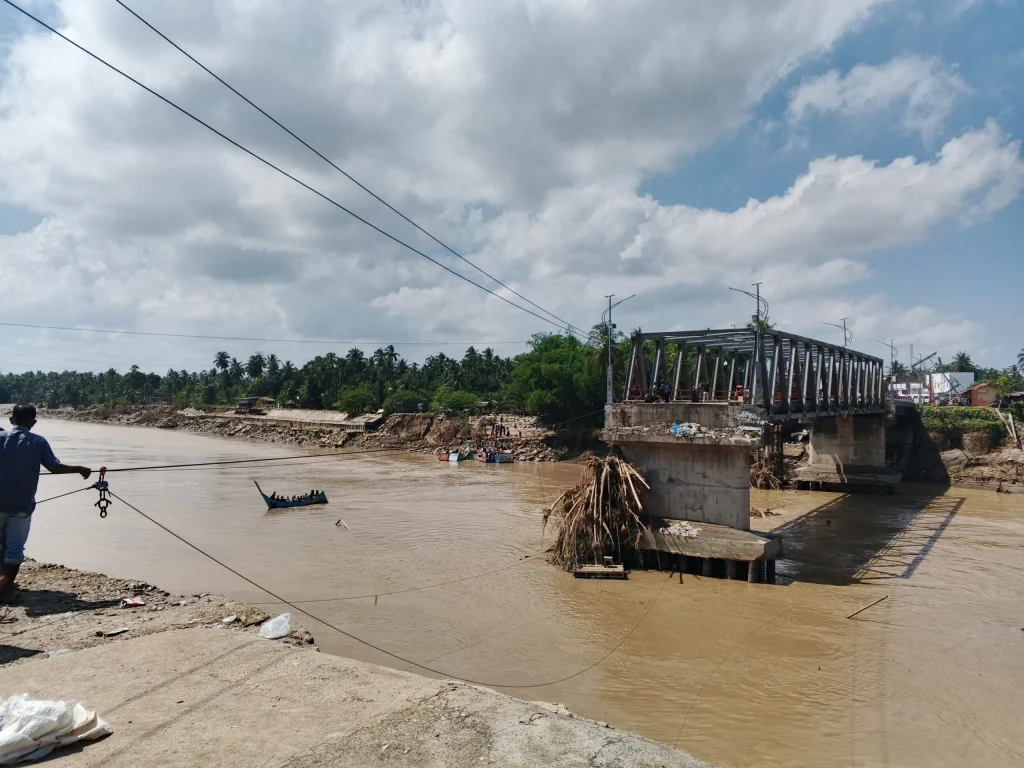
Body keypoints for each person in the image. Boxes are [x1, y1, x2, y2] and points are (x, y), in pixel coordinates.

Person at [0, 404, 92, 600]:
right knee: (14, 548)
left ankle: (4, 583)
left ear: (10, 420)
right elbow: (55, 467)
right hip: (22, 506)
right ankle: (6, 588)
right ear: (32, 422)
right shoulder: (38, 442)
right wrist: (80, 469)